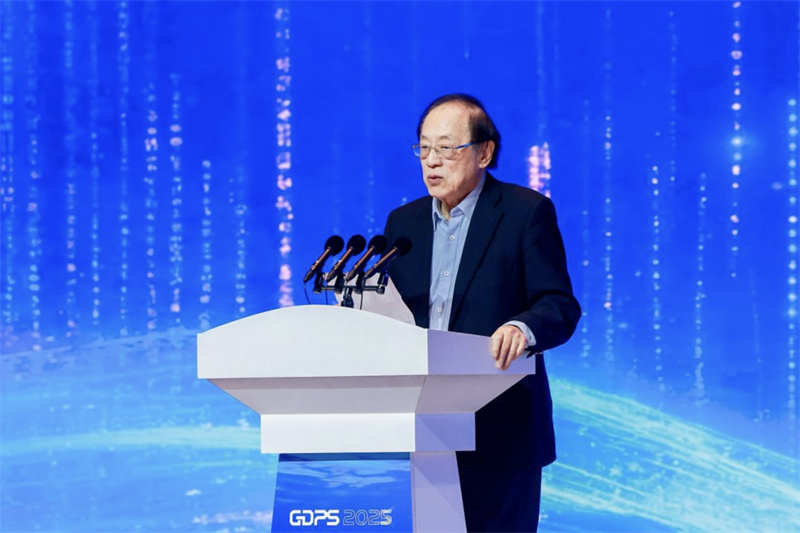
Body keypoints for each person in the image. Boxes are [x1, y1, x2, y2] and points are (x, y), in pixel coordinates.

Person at [383, 94, 581, 532]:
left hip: (501, 429)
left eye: (446, 148)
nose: (432, 161)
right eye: (424, 148)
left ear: (484, 152)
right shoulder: (403, 224)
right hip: (418, 429)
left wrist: (522, 328)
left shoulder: (525, 213)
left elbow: (559, 305)